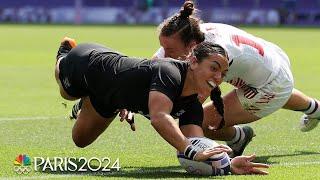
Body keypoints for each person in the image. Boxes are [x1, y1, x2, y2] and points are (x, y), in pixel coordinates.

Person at [55, 37, 269, 175]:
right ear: (193, 62)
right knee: (66, 93)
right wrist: (188, 149)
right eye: (213, 68)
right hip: (87, 64)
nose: (218, 77)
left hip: (111, 97)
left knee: (80, 140)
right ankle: (64, 55)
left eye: (222, 73)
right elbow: (159, 117)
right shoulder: (170, 72)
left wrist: (227, 164)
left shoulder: (193, 105)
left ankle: (91, 99)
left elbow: (198, 143)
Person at [152, 1, 320, 157]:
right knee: (274, 86)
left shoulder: (214, 55)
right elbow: (155, 65)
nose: (166, 54)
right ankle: (316, 109)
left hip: (271, 83)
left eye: (170, 49)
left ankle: (238, 137)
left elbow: (191, 104)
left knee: (199, 121)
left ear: (191, 45)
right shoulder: (190, 31)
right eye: (163, 47)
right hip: (271, 61)